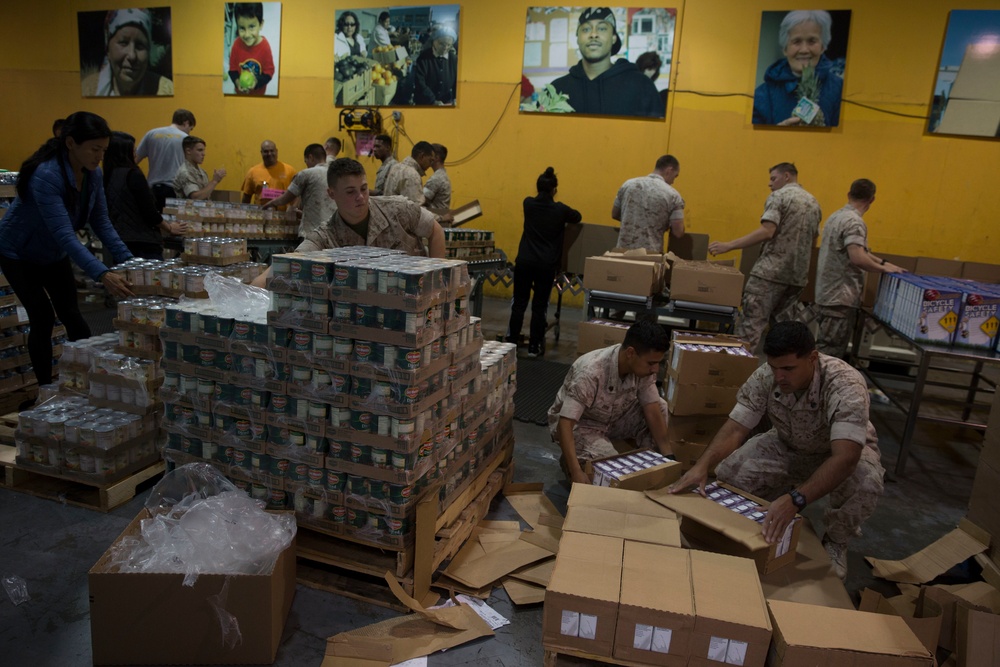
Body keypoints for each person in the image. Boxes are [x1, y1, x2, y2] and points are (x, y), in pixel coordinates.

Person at [669, 322, 885, 581]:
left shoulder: (845, 384)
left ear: (812, 358)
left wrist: (796, 499)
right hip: (787, 444)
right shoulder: (766, 376)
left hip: (833, 454)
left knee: (866, 483)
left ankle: (836, 540)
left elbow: (846, 458)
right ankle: (764, 520)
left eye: (788, 369)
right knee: (730, 473)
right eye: (774, 367)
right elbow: (736, 429)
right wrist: (701, 466)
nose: (779, 376)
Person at [0, 112, 134, 386]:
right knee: (43, 317)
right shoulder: (46, 175)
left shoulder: (92, 174)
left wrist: (130, 261)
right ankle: (45, 390)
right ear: (71, 143)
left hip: (52, 253)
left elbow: (102, 223)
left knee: (73, 316)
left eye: (104, 150)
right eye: (95, 149)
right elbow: (64, 234)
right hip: (19, 253)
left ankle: (88, 384)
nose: (100, 156)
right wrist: (102, 274)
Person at [250, 158, 445, 288]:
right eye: (351, 192)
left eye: (364, 189)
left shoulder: (397, 210)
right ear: (332, 194)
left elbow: (436, 231)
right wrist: (248, 289)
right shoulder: (326, 236)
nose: (360, 197)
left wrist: (437, 282)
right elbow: (288, 263)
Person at [709, 162, 821, 352]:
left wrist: (729, 245)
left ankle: (737, 377)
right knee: (783, 334)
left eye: (773, 178)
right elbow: (814, 239)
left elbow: (768, 230)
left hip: (770, 273)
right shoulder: (813, 203)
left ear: (787, 176)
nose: (770, 184)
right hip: (796, 277)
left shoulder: (779, 197)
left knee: (749, 329)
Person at [548, 319, 671, 485]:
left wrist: (669, 459)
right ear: (630, 353)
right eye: (651, 363)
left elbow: (652, 410)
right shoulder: (591, 372)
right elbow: (565, 424)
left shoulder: (642, 370)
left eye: (658, 363)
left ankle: (646, 468)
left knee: (661, 406)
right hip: (582, 424)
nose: (656, 369)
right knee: (609, 471)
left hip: (614, 417)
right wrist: (575, 471)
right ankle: (571, 462)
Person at [815, 179, 905, 358]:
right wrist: (883, 270)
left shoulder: (836, 216)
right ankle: (820, 385)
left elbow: (861, 250)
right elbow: (858, 258)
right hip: (840, 297)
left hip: (826, 293)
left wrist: (883, 262)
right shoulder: (855, 222)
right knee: (829, 353)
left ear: (849, 194)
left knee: (824, 344)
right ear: (872, 200)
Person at [507, 167, 582, 357]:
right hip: (546, 264)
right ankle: (534, 346)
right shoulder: (560, 210)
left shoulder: (528, 204)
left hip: (524, 260)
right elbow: (577, 217)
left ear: (537, 187)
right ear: (554, 190)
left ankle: (512, 342)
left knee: (519, 304)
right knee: (539, 306)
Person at [550, 7, 664, 118]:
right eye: (586, 29)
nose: (593, 34)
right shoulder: (556, 90)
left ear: (614, 38)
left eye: (602, 28)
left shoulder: (642, 86)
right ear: (578, 39)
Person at [103, 131, 188, 260]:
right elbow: (149, 211)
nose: (136, 154)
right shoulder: (132, 175)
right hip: (142, 241)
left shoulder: (108, 175)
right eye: (133, 151)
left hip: (118, 239)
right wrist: (169, 227)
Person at [753, 10, 843, 127]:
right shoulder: (763, 95)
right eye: (796, 41)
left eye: (812, 41)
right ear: (785, 49)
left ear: (823, 47)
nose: (804, 50)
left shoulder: (840, 90)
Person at [82, 8, 173, 96]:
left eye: (140, 45)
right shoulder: (87, 89)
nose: (132, 56)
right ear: (108, 49)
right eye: (123, 43)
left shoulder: (167, 90)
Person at [612, 154, 685, 253]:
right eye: (675, 176)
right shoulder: (673, 195)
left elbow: (615, 214)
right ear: (669, 170)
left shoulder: (628, 185)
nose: (673, 181)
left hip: (622, 252)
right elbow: (678, 232)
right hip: (650, 256)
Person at [263, 144, 336, 239]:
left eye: (306, 161)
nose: (307, 165)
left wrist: (270, 204)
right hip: (333, 233)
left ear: (310, 157)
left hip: (312, 234)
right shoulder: (335, 175)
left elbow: (285, 199)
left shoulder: (306, 174)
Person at [135, 109, 196, 211]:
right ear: (186, 123)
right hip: (174, 189)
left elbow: (135, 160)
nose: (189, 132)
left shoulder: (151, 134)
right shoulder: (186, 139)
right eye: (191, 128)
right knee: (171, 224)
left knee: (154, 221)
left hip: (151, 189)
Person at [228, 2, 274, 95]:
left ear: (261, 24)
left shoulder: (265, 47)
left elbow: (269, 72)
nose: (247, 34)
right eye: (242, 28)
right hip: (239, 93)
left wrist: (256, 82)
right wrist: (237, 83)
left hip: (258, 94)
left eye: (251, 27)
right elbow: (232, 70)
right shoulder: (236, 45)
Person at [241, 140, 297, 207]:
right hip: (260, 215)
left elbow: (297, 195)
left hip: (284, 215)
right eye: (266, 151)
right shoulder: (252, 172)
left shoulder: (290, 171)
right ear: (261, 153)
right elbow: (246, 198)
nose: (269, 154)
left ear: (276, 151)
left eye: (272, 151)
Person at [413, 26, 458, 106]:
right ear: (434, 41)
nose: (445, 48)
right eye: (442, 44)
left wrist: (456, 97)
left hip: (445, 102)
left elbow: (457, 82)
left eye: (449, 45)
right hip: (425, 103)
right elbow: (420, 82)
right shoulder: (424, 57)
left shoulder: (453, 59)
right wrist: (432, 101)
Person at [173, 136, 227, 200]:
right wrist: (214, 181)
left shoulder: (202, 172)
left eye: (204, 150)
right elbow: (196, 197)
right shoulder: (185, 172)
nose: (203, 154)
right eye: (200, 150)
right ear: (188, 151)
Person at [422, 143, 452, 210]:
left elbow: (421, 200)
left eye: (429, 155)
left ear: (436, 157)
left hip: (435, 217)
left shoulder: (436, 178)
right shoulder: (443, 175)